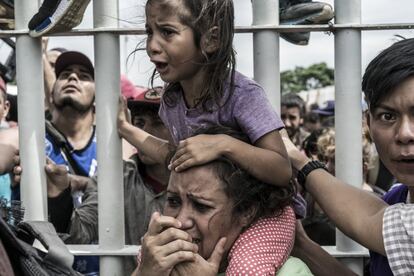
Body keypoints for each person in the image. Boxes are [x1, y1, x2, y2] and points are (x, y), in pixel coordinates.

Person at [282, 38, 414, 275]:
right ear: (368, 121)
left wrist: (298, 160)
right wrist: (302, 245)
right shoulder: (397, 197)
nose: (405, 134)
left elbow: (369, 216)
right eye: (387, 116)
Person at [134, 130, 299, 275]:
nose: (181, 222)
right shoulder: (156, 266)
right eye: (173, 201)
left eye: (201, 206)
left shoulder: (290, 273)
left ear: (246, 212)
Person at [0, 50, 99, 275]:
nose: (73, 78)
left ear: (97, 95)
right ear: (51, 88)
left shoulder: (113, 146)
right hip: (37, 268)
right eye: (64, 74)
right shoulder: (29, 135)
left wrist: (80, 182)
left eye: (84, 75)